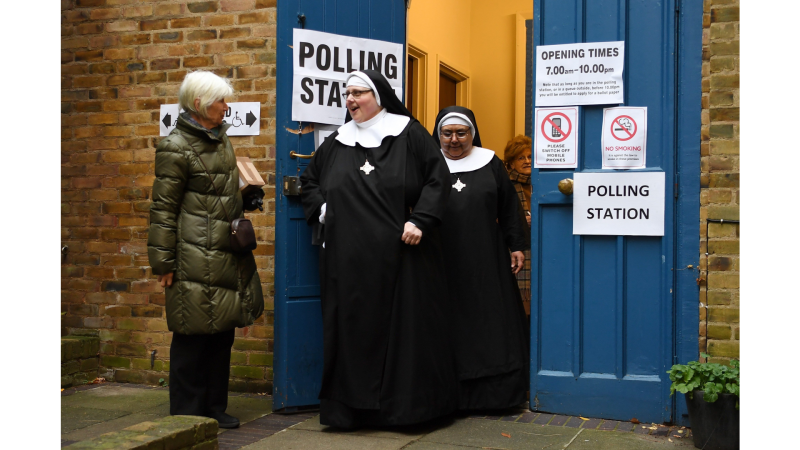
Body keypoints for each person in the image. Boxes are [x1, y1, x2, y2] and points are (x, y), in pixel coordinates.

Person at [300, 70, 458, 428]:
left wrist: (420, 220)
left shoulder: (409, 133)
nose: (351, 100)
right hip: (347, 259)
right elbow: (310, 181)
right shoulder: (338, 140)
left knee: (404, 333)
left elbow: (438, 179)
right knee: (350, 331)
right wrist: (324, 209)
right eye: (347, 93)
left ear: (379, 96)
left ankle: (402, 411)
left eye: (358, 93)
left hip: (402, 256)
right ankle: (350, 412)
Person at [147, 70, 265, 429]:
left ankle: (215, 406)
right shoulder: (174, 146)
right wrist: (163, 263)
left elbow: (215, 192)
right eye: (221, 101)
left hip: (226, 251)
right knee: (191, 334)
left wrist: (247, 194)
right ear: (199, 105)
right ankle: (186, 413)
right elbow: (163, 210)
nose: (227, 108)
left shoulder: (221, 140)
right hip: (192, 256)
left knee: (221, 332)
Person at [433, 106, 530, 411]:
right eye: (447, 133)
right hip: (439, 258)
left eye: (461, 133)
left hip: (486, 257)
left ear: (472, 133)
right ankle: (447, 394)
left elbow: (508, 207)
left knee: (490, 321)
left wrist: (516, 245)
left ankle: (495, 396)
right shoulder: (427, 163)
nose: (454, 140)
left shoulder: (491, 163)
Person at [503, 135, 533, 316]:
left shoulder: (543, 184)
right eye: (521, 158)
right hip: (516, 250)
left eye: (530, 157)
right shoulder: (505, 185)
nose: (527, 161)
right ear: (511, 164)